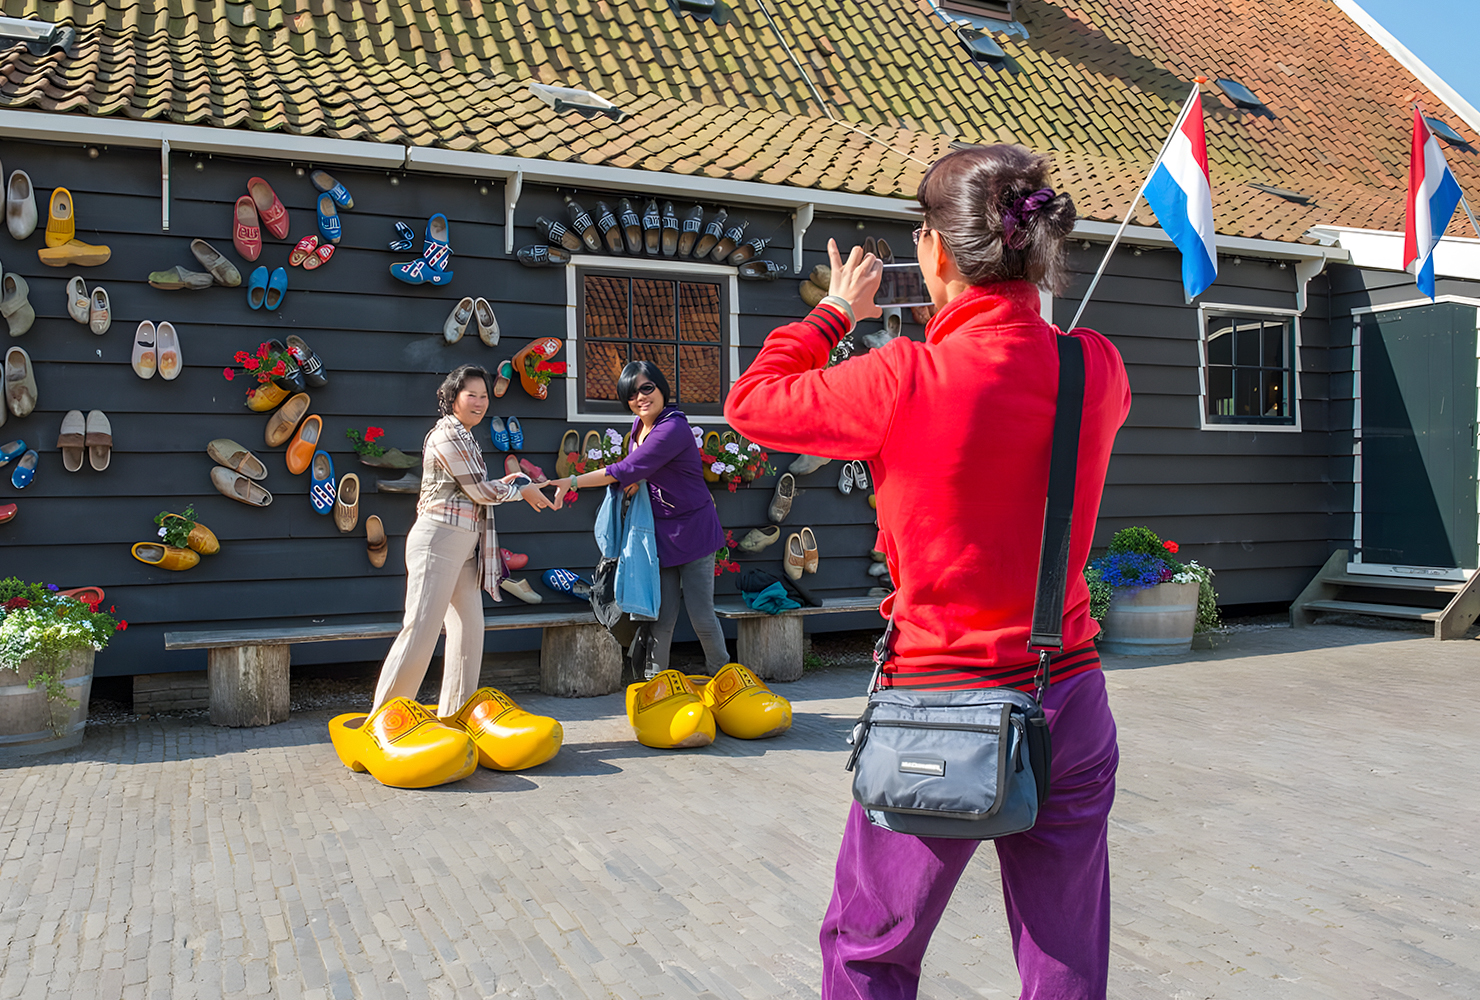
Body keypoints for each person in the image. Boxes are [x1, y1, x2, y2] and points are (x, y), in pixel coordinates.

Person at [723, 144, 1132, 999]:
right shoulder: (1095, 367)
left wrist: (835, 312)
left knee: (871, 952)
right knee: (1063, 957)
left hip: (940, 706)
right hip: (1069, 694)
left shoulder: (903, 376)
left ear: (936, 253)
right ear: (1034, 247)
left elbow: (753, 404)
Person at [372, 365, 561, 716]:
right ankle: (384, 720)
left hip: (463, 546)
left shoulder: (466, 437)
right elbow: (479, 489)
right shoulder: (445, 436)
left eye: (484, 395)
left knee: (469, 632)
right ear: (452, 398)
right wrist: (521, 489)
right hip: (438, 541)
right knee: (421, 632)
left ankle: (454, 716)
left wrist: (521, 483)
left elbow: (482, 488)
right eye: (471, 394)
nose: (479, 402)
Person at [547, 360, 729, 674]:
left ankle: (724, 675)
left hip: (695, 532)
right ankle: (655, 685)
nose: (641, 398)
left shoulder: (673, 427)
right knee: (660, 616)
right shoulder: (639, 427)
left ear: (662, 388)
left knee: (701, 615)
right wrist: (634, 486)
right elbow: (639, 471)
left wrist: (572, 481)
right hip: (660, 535)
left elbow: (628, 468)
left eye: (647, 388)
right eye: (632, 394)